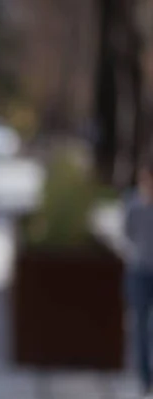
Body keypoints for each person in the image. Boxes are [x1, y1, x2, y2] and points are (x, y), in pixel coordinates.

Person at [125, 159, 153, 397]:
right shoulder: (134, 204)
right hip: (140, 272)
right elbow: (128, 232)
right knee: (140, 327)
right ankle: (145, 378)